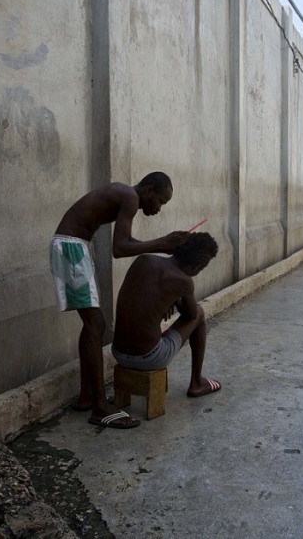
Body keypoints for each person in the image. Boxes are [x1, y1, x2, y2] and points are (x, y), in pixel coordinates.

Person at [50, 172, 189, 429]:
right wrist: (162, 242)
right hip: (71, 248)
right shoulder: (130, 198)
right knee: (96, 326)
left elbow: (129, 242)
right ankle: (101, 408)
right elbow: (120, 248)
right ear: (148, 191)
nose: (159, 208)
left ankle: (87, 397)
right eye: (160, 201)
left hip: (73, 246)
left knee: (92, 326)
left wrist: (163, 244)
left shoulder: (126, 196)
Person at [111, 232, 221, 399]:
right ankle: (197, 382)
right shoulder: (183, 281)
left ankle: (197, 381)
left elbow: (145, 296)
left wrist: (170, 299)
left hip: (118, 353)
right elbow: (191, 315)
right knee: (200, 313)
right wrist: (176, 299)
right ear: (196, 267)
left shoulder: (143, 260)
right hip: (149, 358)